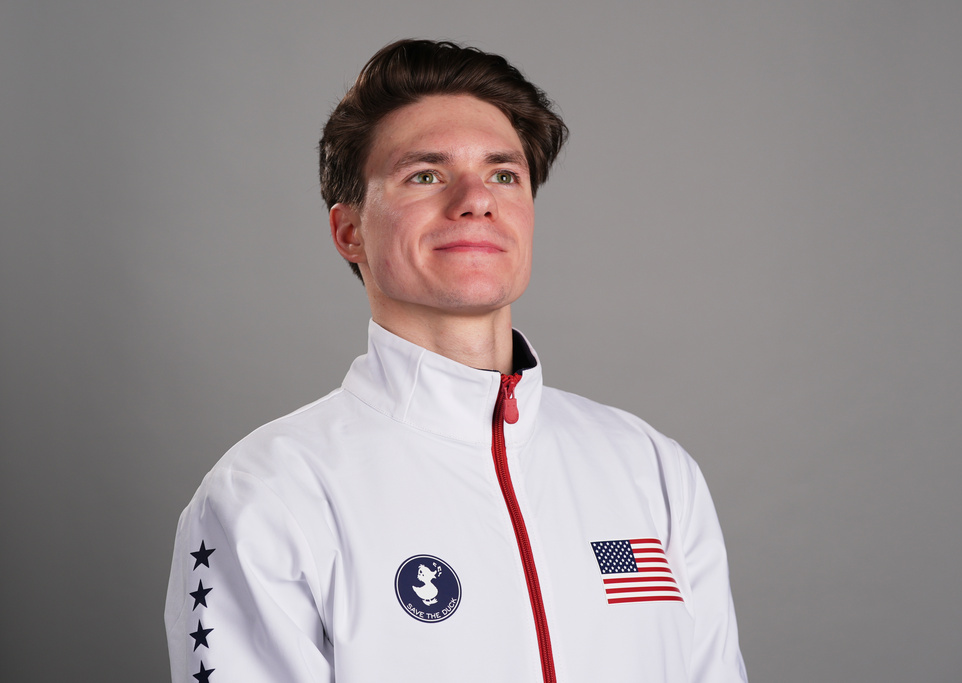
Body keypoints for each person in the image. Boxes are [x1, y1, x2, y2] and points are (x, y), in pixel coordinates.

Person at [165, 39, 747, 683]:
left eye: (504, 174)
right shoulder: (268, 494)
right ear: (349, 231)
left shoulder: (652, 470)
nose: (477, 199)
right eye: (425, 174)